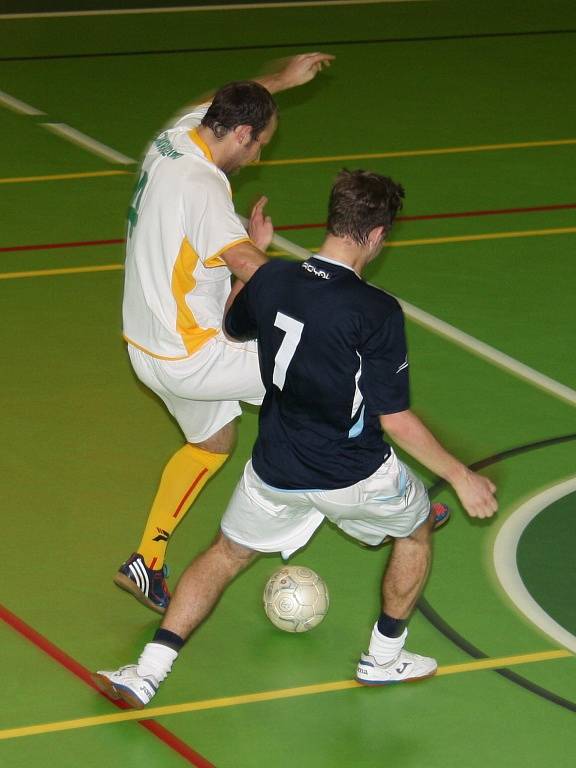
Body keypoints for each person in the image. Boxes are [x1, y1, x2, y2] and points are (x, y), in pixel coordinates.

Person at [94, 169, 497, 707]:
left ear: (333, 219)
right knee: (418, 527)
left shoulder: (274, 278)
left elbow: (233, 328)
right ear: (377, 237)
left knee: (225, 554)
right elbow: (394, 419)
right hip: (354, 474)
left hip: (274, 469)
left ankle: (145, 673)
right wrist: (460, 475)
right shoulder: (375, 311)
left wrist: (254, 261)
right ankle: (383, 658)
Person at [115, 52, 335, 614]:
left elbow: (229, 92)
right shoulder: (204, 187)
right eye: (259, 143)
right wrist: (319, 296)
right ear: (240, 133)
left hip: (145, 344)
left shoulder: (178, 134)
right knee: (322, 375)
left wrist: (284, 79)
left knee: (213, 443)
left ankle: (147, 560)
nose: (260, 153)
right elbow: (245, 264)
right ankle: (380, 496)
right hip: (191, 354)